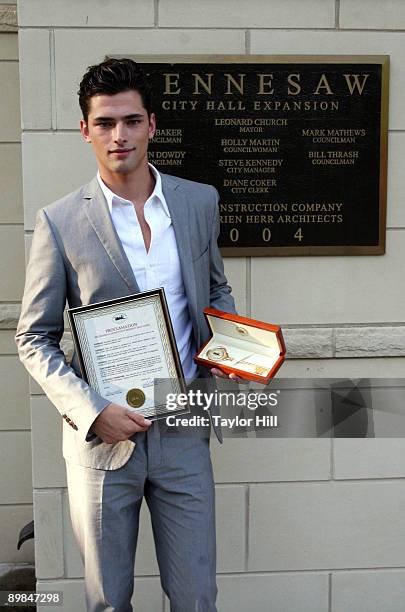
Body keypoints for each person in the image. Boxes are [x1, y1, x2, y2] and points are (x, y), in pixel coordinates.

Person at [15, 57, 237, 611]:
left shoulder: (197, 202)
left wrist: (233, 353)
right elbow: (33, 337)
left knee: (196, 595)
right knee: (109, 601)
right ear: (85, 130)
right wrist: (92, 412)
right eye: (106, 123)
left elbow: (215, 293)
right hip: (104, 438)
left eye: (132, 121)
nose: (120, 135)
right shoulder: (60, 221)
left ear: (152, 125)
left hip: (183, 427)